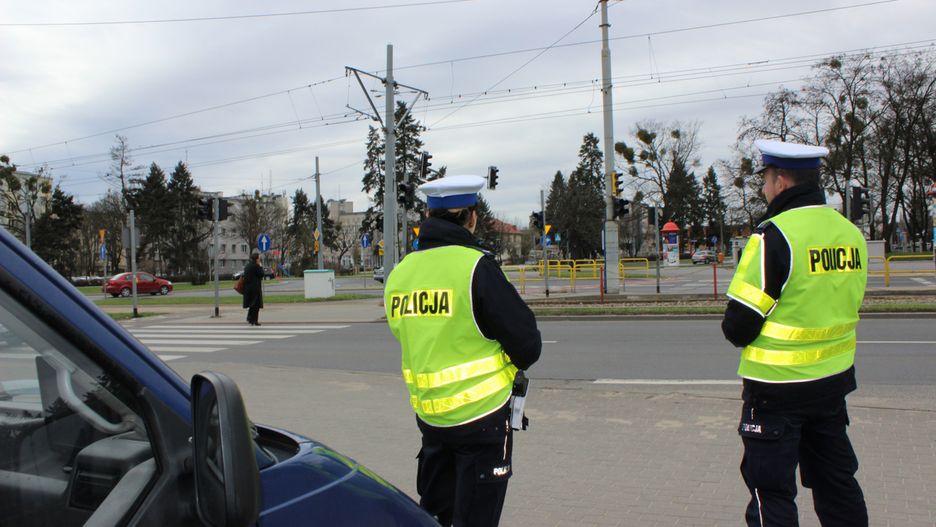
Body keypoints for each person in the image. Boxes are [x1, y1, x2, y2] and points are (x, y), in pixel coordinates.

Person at [722, 139, 869, 527]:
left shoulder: (773, 236)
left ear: (782, 182)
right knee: (837, 484)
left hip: (776, 392)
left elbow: (738, 327)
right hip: (832, 386)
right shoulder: (849, 234)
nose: (765, 189)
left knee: (771, 493)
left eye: (767, 181)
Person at [384, 175, 542, 527]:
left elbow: (409, 335)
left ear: (427, 214)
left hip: (431, 423)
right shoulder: (476, 267)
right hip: (481, 422)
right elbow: (528, 345)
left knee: (438, 517)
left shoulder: (399, 274)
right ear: (471, 218)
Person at [242, 250, 264, 326]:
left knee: (252, 304)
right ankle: (254, 320)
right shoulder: (256, 266)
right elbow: (261, 274)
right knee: (256, 305)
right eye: (259, 258)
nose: (259, 259)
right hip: (255, 288)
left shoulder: (248, 265)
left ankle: (250, 318)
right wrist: (260, 266)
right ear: (257, 259)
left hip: (248, 289)